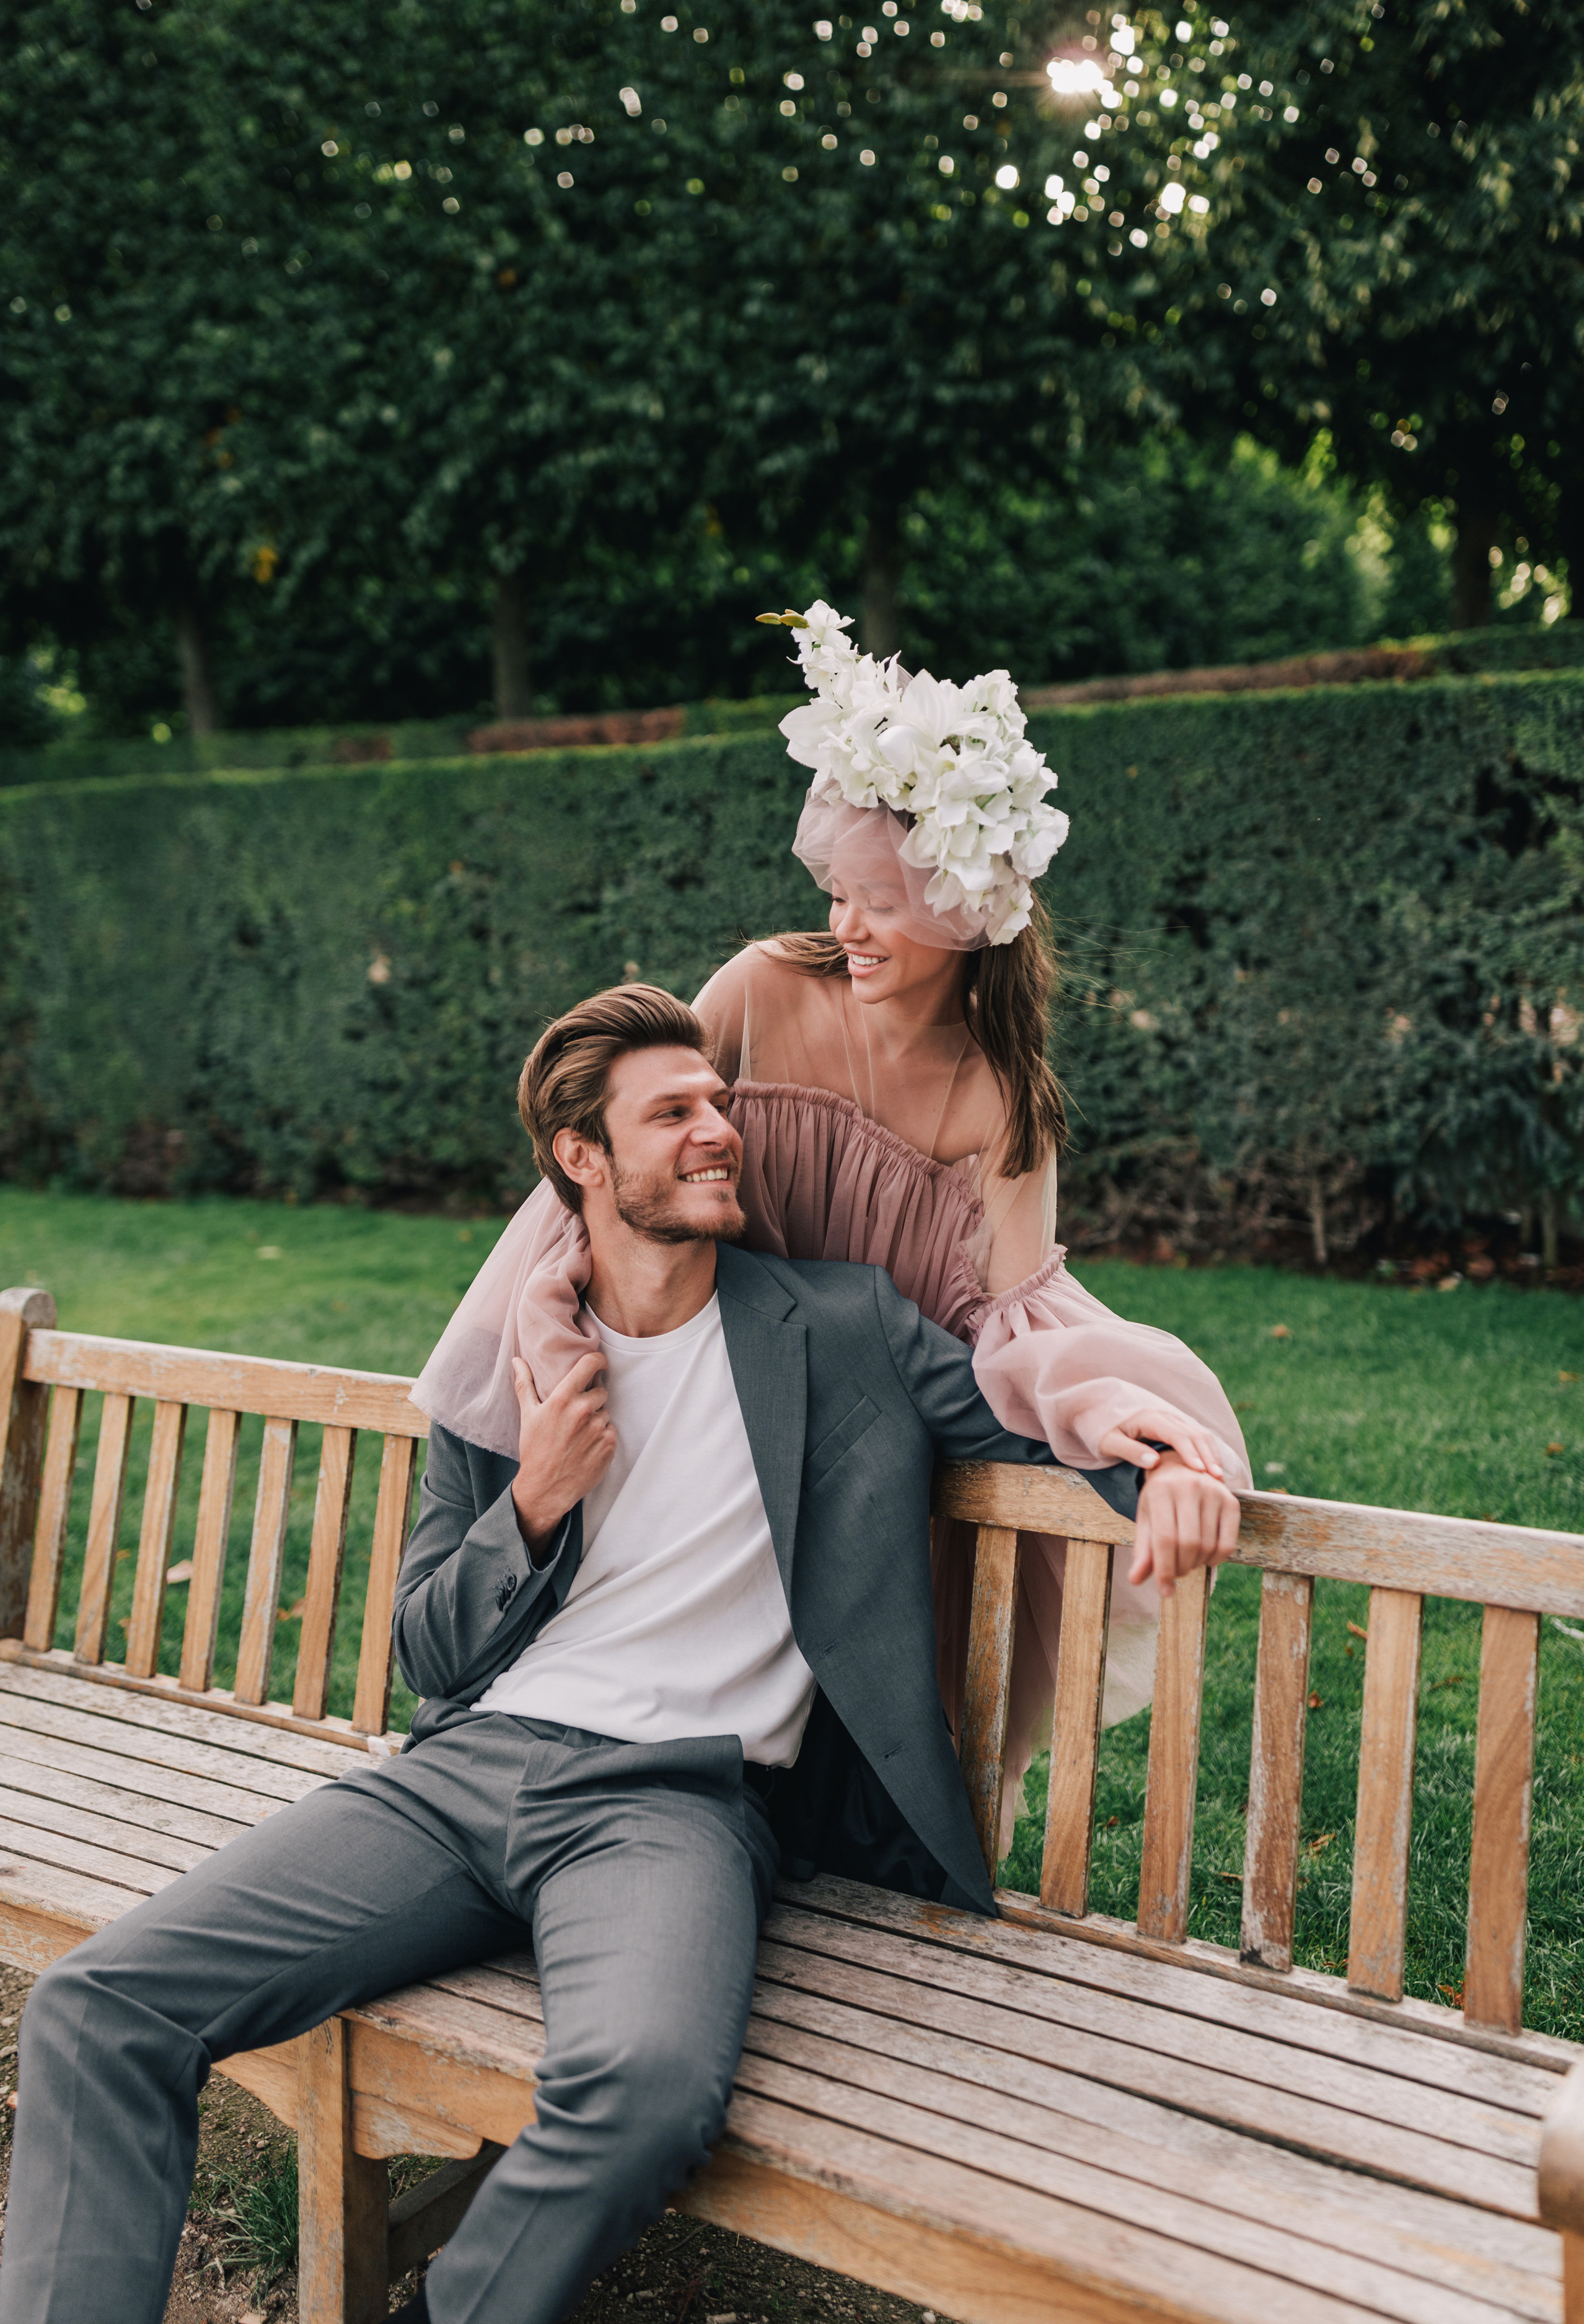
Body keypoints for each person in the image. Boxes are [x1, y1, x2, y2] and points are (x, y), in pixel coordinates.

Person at [0, 985, 1191, 2324]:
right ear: (582, 1158)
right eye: (671, 1113)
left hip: (671, 1807)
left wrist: (1157, 1452)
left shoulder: (841, 1325)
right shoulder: (509, 1371)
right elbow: (427, 1648)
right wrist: (534, 1501)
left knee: (639, 2096)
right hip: (458, 1783)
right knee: (102, 2006)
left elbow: (1020, 1406)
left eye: (718, 1104)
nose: (718, 1132)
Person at [413, 604, 1251, 1846]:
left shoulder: (997, 1098)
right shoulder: (758, 989)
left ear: (967, 905)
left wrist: (1143, 1435)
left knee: (884, 1754)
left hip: (874, 1415)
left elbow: (1012, 1324)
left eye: (885, 901)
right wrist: (546, 1329)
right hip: (705, 1379)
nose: (849, 927)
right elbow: (622, 1164)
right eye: (840, 893)